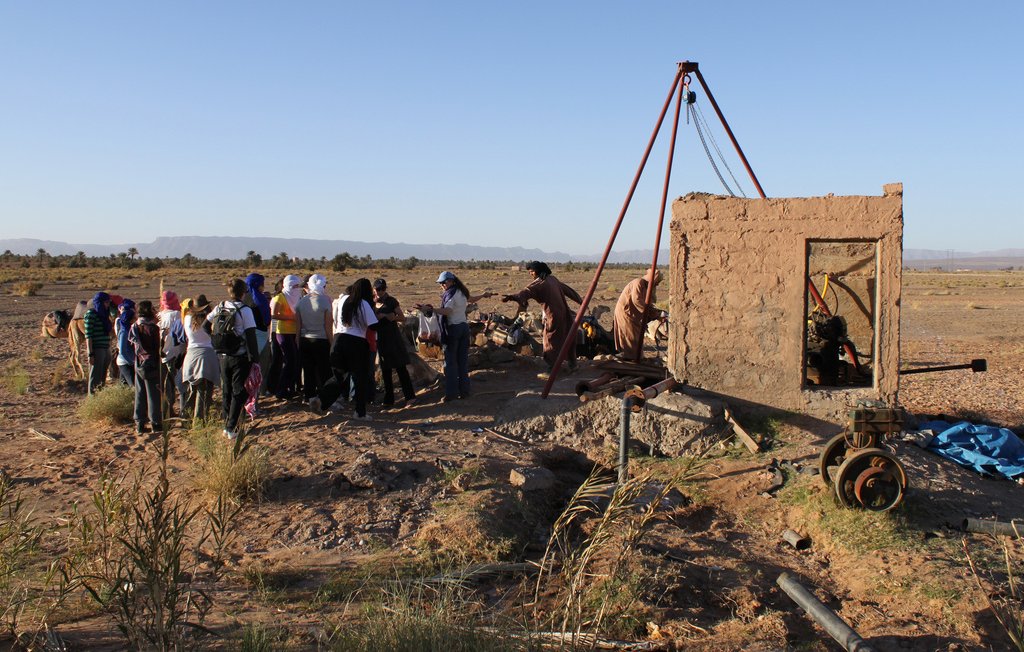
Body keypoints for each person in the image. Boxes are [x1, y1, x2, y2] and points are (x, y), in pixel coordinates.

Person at [311, 278, 378, 420]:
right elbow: (373, 325)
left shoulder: (342, 300)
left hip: (338, 339)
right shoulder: (363, 303)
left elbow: (335, 319)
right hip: (356, 343)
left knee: (339, 376)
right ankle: (360, 412)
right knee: (360, 378)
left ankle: (321, 399)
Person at [502, 261, 583, 375]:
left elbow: (525, 293)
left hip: (553, 316)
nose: (530, 274)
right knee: (568, 338)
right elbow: (568, 290)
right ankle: (573, 364)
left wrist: (511, 297)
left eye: (531, 271)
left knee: (549, 341)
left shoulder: (538, 284)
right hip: (566, 314)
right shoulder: (553, 279)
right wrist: (581, 301)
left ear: (538, 271)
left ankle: (553, 369)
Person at [207, 279, 259, 440]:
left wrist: (217, 339)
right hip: (240, 356)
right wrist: (255, 359)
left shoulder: (220, 306)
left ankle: (226, 424)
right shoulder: (245, 310)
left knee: (226, 391)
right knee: (239, 392)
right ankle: (232, 427)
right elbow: (251, 336)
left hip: (222, 355)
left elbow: (204, 325)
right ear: (244, 292)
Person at [416, 271, 476, 402]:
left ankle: (451, 394)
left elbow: (448, 311)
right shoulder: (462, 291)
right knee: (462, 362)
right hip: (464, 328)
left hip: (453, 330)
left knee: (450, 364)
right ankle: (465, 391)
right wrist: (484, 295)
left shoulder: (451, 294)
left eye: (444, 282)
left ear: (452, 281)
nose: (442, 285)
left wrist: (431, 310)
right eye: (440, 283)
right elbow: (472, 299)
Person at [372, 278, 416, 407]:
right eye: (377, 289)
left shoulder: (391, 301)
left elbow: (402, 318)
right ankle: (388, 400)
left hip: (394, 339)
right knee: (385, 370)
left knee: (400, 367)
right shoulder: (372, 303)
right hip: (381, 339)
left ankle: (410, 397)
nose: (380, 291)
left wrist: (390, 317)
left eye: (382, 289)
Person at [295, 273, 333, 404]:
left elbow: (298, 327)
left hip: (305, 339)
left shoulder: (301, 301)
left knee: (308, 370)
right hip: (321, 340)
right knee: (324, 370)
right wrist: (331, 343)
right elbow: (328, 327)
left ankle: (309, 397)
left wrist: (297, 343)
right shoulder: (326, 301)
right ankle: (326, 398)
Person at [613, 270, 667, 361]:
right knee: (630, 338)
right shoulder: (639, 282)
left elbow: (645, 303)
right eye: (657, 282)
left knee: (636, 338)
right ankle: (631, 361)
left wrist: (654, 312)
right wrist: (651, 313)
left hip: (633, 315)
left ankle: (635, 358)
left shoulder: (644, 286)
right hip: (627, 314)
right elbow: (636, 300)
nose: (657, 285)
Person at [182, 294, 219, 422]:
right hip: (207, 355)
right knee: (205, 391)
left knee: (192, 388)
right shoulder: (210, 320)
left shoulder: (187, 318)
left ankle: (187, 415)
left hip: (191, 355)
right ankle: (199, 418)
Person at [128, 300, 162, 434]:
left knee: (140, 391)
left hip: (138, 362)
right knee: (153, 393)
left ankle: (139, 423)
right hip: (151, 362)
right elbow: (156, 347)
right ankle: (155, 422)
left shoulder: (135, 326)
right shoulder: (153, 328)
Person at [269, 274, 303, 399]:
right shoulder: (280, 297)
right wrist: (291, 318)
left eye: (297, 285)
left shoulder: (298, 296)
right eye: (293, 285)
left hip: (294, 331)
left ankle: (290, 387)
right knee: (290, 361)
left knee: (294, 361)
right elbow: (274, 314)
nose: (296, 288)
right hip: (282, 332)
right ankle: (281, 389)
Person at [243, 273, 271, 415]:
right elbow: (266, 320)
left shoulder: (242, 299)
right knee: (258, 373)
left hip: (244, 339)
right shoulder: (260, 300)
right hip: (260, 338)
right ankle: (254, 404)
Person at [158, 290, 187, 418]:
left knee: (166, 385)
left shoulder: (159, 315)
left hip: (161, 355)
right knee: (179, 385)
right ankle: (182, 411)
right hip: (175, 354)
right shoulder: (177, 315)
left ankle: (167, 411)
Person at [83, 291, 113, 395]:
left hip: (106, 348)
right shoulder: (91, 314)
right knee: (95, 376)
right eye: (106, 302)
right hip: (97, 349)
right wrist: (90, 354)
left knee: (102, 377)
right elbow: (88, 336)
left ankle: (100, 396)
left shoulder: (104, 316)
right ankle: (92, 399)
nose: (108, 305)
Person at [114, 298, 136, 387]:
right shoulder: (124, 332)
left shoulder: (129, 330)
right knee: (133, 385)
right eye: (134, 318)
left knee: (123, 386)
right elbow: (122, 350)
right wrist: (131, 361)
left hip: (126, 361)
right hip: (125, 362)